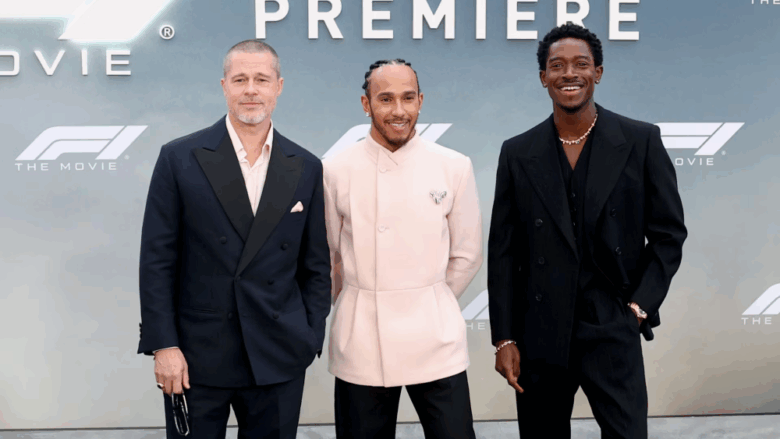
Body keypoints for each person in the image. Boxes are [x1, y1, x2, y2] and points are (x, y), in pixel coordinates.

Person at [487, 24, 687, 439]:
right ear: (543, 77)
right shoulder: (517, 152)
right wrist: (504, 338)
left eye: (581, 64)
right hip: (540, 332)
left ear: (598, 72)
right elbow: (503, 253)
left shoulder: (640, 140)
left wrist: (638, 308)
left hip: (612, 325)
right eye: (556, 65)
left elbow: (669, 235)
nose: (569, 74)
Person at [137, 40, 331, 439]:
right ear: (224, 85)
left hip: (278, 354)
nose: (251, 90)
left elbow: (315, 265)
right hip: (196, 357)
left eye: (261, 79)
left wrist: (309, 336)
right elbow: (157, 261)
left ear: (279, 86)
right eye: (240, 79)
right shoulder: (180, 158)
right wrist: (164, 346)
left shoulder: (306, 166)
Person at [323, 59, 482, 439]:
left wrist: (429, 298)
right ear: (366, 105)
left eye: (408, 98)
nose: (399, 110)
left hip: (435, 338)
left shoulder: (453, 166)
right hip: (362, 339)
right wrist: (359, 302)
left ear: (420, 101)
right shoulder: (335, 170)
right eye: (386, 99)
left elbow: (467, 254)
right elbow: (329, 255)